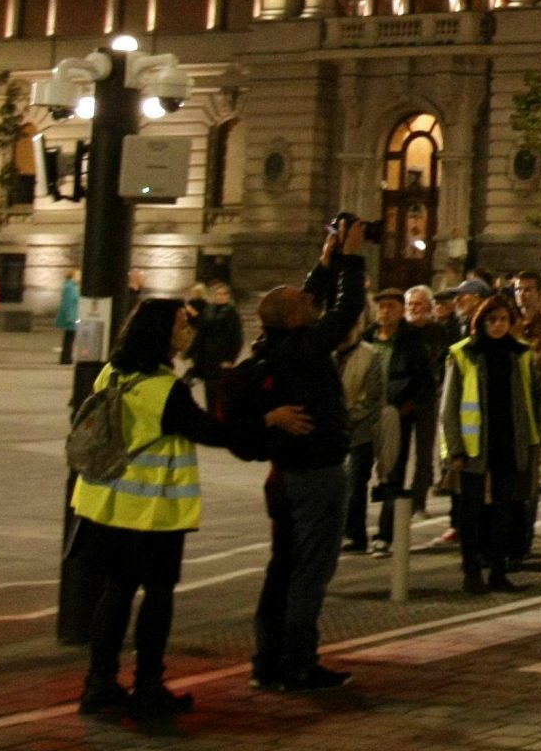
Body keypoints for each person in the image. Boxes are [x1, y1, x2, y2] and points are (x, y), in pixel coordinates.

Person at [73, 298, 306, 718]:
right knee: (157, 598)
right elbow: (213, 432)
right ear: (161, 333)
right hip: (151, 511)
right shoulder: (166, 391)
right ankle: (148, 686)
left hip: (104, 504)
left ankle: (100, 683)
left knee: (116, 593)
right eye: (182, 324)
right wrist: (268, 420)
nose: (189, 331)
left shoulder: (113, 371)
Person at [234, 220, 366, 693]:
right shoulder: (307, 348)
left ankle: (266, 661)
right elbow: (347, 309)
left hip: (286, 476)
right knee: (311, 570)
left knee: (282, 568)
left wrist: (324, 264)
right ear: (293, 318)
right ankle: (299, 664)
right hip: (317, 476)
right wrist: (352, 259)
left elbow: (306, 303)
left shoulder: (274, 344)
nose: (313, 304)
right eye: (305, 303)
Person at [439, 297, 541, 593]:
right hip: (474, 446)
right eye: (492, 320)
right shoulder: (463, 353)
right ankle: (472, 571)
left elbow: (538, 394)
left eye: (503, 319)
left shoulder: (522, 353)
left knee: (505, 510)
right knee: (471, 511)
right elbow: (449, 406)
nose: (498, 325)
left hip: (509, 441)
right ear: (481, 322)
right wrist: (455, 448)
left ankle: (499, 572)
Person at [376, 284, 444, 554]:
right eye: (410, 305)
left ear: (429, 308)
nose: (414, 309)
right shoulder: (398, 334)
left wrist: (417, 398)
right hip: (397, 407)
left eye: (419, 305)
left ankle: (417, 502)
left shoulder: (435, 333)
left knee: (424, 454)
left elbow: (433, 369)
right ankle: (389, 516)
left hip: (423, 401)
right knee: (394, 461)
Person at [335, 300, 388, 556]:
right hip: (331, 431)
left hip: (360, 431)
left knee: (356, 484)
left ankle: (355, 534)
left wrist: (346, 418)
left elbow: (371, 397)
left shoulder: (371, 355)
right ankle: (336, 531)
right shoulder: (327, 353)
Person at [56, 270, 82, 364]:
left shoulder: (73, 286)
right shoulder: (70, 287)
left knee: (70, 337)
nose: (79, 277)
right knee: (69, 338)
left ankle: (67, 357)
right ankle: (66, 358)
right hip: (72, 316)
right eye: (78, 275)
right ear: (72, 276)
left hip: (73, 314)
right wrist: (70, 317)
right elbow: (68, 303)